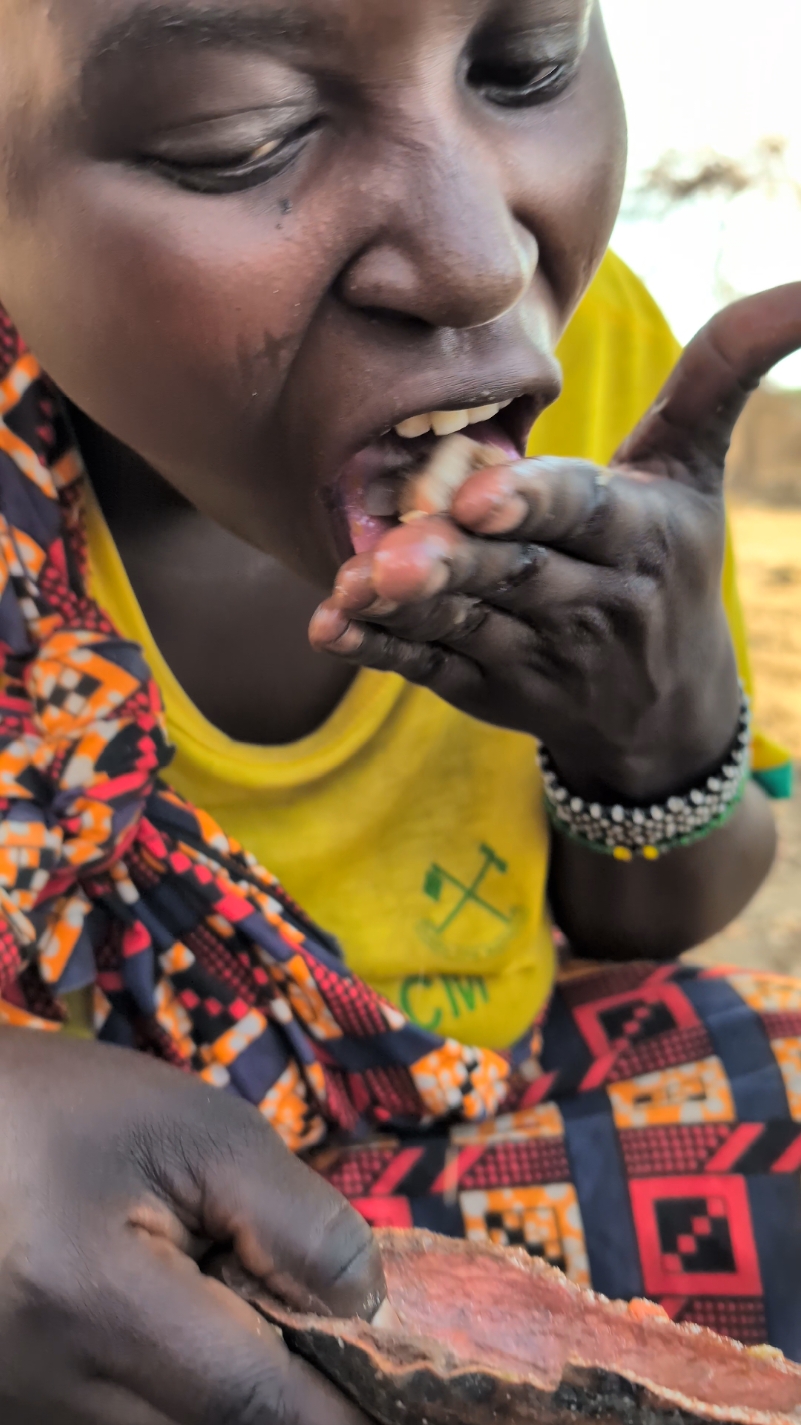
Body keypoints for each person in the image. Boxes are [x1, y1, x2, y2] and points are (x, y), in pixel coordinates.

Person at [0, 0, 799, 1418]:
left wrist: (654, 731)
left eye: (526, 62)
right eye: (234, 136)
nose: (479, 261)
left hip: (476, 1120)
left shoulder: (600, 364)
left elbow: (656, 911)